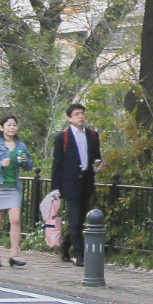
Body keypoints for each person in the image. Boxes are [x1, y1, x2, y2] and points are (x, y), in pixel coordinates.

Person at [50, 102, 102, 264]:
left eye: (82, 114)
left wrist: (98, 164)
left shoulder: (92, 135)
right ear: (69, 119)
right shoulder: (63, 137)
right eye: (77, 114)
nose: (81, 117)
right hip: (70, 183)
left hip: (86, 182)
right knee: (74, 220)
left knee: (80, 218)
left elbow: (96, 157)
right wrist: (55, 188)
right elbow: (57, 164)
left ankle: (65, 247)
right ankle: (79, 254)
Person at [0, 114, 33, 267]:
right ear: (1, 128)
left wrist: (24, 162)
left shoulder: (20, 146)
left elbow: (29, 166)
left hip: (13, 187)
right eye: (9, 125)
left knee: (15, 220)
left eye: (14, 125)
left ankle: (14, 254)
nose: (12, 127)